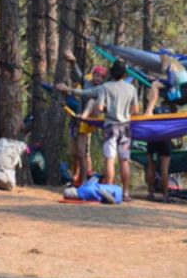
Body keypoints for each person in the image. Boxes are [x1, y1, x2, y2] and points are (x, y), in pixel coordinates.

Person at [57, 60, 139, 200]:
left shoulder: (105, 87)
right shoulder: (131, 88)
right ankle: (125, 193)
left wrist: (69, 90)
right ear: (124, 74)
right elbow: (135, 110)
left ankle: (110, 190)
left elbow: (96, 104)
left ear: (111, 73)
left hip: (111, 127)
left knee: (110, 159)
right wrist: (123, 112)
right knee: (125, 160)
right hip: (126, 128)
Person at [63, 49, 106, 186]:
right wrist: (73, 62)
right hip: (78, 119)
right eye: (96, 76)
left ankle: (84, 178)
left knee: (83, 152)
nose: (97, 79)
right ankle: (76, 178)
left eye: (100, 77)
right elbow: (79, 75)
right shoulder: (87, 82)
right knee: (74, 152)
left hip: (89, 122)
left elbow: (85, 93)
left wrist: (69, 89)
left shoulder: (102, 89)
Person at [143, 81, 176, 202]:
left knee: (150, 166)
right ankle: (165, 195)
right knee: (164, 169)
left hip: (152, 138)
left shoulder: (154, 110)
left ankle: (151, 193)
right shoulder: (172, 110)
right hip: (165, 139)